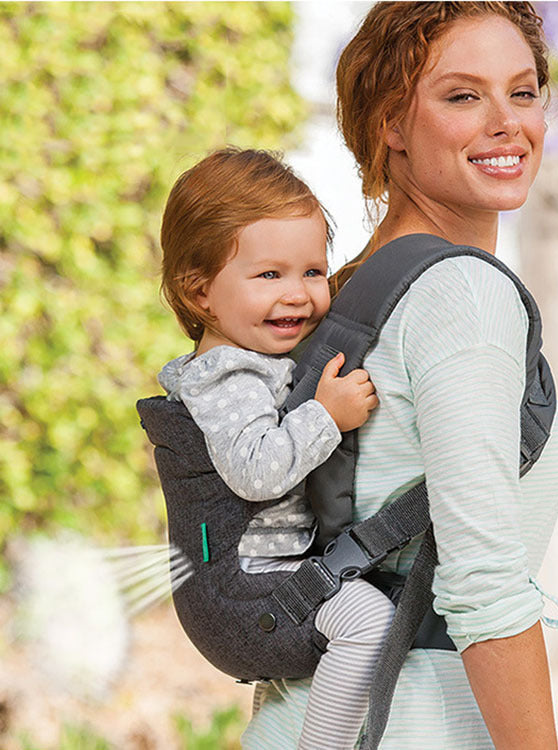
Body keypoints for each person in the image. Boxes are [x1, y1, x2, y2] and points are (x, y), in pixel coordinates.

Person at [242, 2, 558, 749]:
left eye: (522, 92)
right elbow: (483, 588)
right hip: (410, 724)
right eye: (463, 95)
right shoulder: (463, 296)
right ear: (392, 123)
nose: (507, 121)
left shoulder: (354, 287)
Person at [157, 147, 394, 750]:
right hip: (242, 591)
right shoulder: (228, 377)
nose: (298, 294)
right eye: (270, 275)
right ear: (201, 291)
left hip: (261, 583)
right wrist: (328, 415)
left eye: (312, 272)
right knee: (367, 621)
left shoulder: (254, 358)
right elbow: (257, 471)